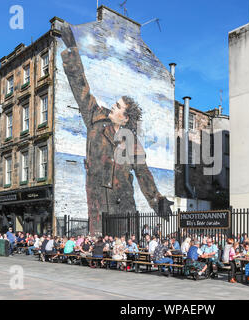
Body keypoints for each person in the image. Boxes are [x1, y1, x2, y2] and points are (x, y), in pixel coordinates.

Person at [59, 24, 174, 234]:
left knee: (125, 243)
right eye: (116, 103)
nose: (113, 106)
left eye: (118, 106)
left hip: (124, 202)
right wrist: (72, 49)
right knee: (100, 243)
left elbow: (143, 173)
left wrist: (157, 201)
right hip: (97, 199)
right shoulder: (94, 116)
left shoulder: (131, 141)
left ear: (126, 117)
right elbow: (79, 84)